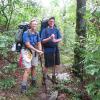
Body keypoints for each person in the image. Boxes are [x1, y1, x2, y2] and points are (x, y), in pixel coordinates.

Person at [21, 19, 43, 93]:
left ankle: (33, 81)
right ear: (30, 25)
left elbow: (39, 42)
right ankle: (23, 87)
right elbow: (27, 44)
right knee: (27, 69)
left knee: (34, 66)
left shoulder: (37, 33)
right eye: (33, 24)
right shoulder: (26, 33)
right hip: (27, 51)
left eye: (36, 24)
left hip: (34, 51)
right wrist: (37, 50)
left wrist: (40, 50)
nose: (34, 25)